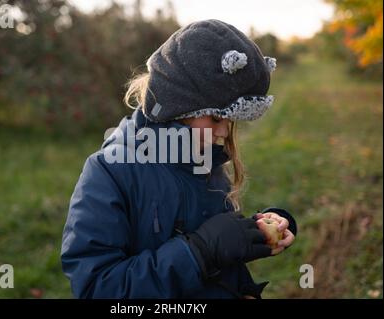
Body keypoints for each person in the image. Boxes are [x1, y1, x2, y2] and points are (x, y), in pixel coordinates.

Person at [61, 19, 297, 299]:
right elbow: (97, 288)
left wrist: (254, 232)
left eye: (229, 120)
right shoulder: (109, 172)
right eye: (216, 118)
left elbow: (216, 246)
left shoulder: (203, 158)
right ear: (178, 105)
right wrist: (199, 252)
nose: (223, 132)